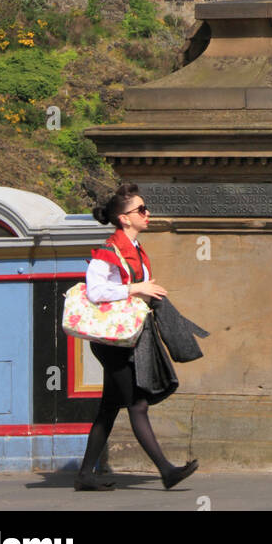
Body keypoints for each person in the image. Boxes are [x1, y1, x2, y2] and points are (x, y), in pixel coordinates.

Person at [74, 184, 199, 491]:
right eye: (141, 210)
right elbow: (95, 291)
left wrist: (148, 292)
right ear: (124, 218)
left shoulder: (136, 250)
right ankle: (167, 471)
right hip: (112, 342)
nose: (147, 214)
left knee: (108, 408)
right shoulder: (108, 251)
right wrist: (136, 289)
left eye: (145, 209)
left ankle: (85, 475)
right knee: (138, 404)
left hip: (126, 336)